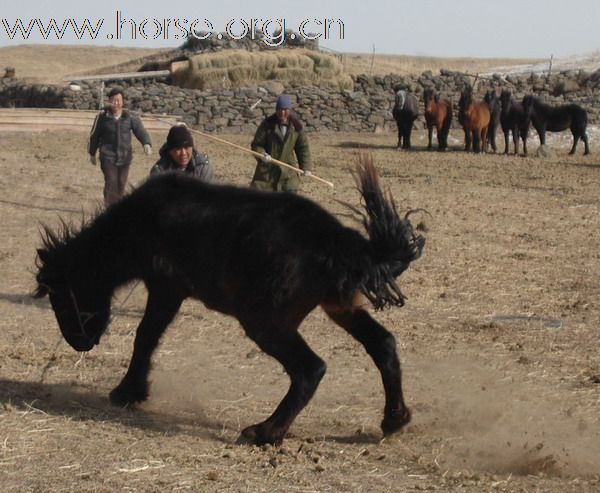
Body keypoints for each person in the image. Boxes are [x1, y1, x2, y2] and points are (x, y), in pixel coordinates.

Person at [88, 88, 152, 206]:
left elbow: (141, 131)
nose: (115, 103)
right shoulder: (102, 118)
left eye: (118, 100)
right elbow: (94, 136)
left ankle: (118, 207)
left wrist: (146, 143)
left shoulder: (130, 117)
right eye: (113, 100)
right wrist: (92, 153)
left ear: (122, 102)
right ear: (109, 101)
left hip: (125, 157)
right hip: (108, 156)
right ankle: (108, 209)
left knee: (121, 183)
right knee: (111, 181)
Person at [250, 94, 312, 192]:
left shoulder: (296, 127)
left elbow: (302, 148)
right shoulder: (267, 125)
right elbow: (257, 144)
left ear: (289, 110)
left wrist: (305, 167)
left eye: (285, 110)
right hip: (267, 173)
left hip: (288, 173)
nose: (282, 113)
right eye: (279, 109)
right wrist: (262, 154)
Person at [150, 125, 215, 182]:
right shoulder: (159, 172)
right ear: (170, 151)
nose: (183, 153)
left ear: (192, 148)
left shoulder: (202, 167)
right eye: (178, 149)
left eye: (186, 147)